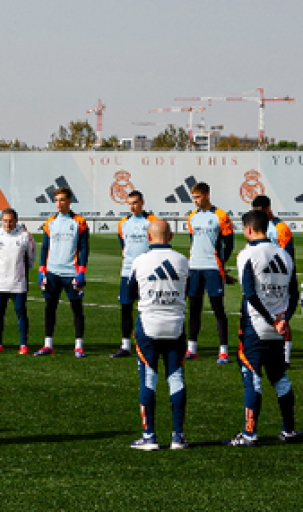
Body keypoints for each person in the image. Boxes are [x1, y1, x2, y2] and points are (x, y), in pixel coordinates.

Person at [225, 210, 300, 446]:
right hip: (278, 329)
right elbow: (295, 294)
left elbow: (249, 293)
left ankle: (249, 434)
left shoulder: (247, 254)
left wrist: (269, 319)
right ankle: (289, 430)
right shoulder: (285, 256)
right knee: (280, 378)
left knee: (253, 378)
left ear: (248, 229)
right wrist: (283, 319)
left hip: (256, 326)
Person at [127, 220, 190, 450]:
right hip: (176, 326)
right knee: (176, 378)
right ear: (171, 236)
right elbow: (188, 290)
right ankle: (178, 436)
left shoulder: (140, 261)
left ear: (148, 236)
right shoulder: (183, 260)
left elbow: (127, 293)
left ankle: (149, 435)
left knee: (148, 379)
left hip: (149, 325)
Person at [35, 187, 90, 358]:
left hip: (71, 273)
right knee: (50, 308)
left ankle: (79, 346)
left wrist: (81, 272)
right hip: (52, 273)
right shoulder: (50, 222)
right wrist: (41, 271)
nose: (59, 204)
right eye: (56, 200)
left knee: (77, 309)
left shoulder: (79, 222)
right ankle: (48, 345)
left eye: (62, 200)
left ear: (69, 201)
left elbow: (84, 248)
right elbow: (45, 247)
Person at [185, 182, 234, 363]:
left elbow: (229, 244)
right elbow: (193, 242)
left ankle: (223, 351)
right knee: (194, 309)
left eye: (198, 197)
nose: (195, 201)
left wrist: (221, 264)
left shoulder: (220, 216)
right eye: (194, 197)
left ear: (206, 195)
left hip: (213, 268)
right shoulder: (192, 217)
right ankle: (192, 349)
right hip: (194, 268)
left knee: (218, 309)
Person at [252, 195, 296, 368]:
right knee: (260, 314)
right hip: (263, 278)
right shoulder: (259, 227)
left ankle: (285, 357)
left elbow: (289, 256)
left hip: (279, 278)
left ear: (267, 209)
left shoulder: (281, 228)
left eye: (260, 211)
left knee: (282, 315)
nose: (258, 215)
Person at [114, 191, 158, 359]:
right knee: (126, 307)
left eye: (135, 203)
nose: (132, 206)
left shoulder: (152, 221)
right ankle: (125, 346)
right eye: (129, 203)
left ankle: (149, 342)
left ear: (142, 203)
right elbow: (123, 244)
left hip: (147, 271)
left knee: (148, 308)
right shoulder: (123, 223)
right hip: (128, 271)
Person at [0, 208, 35, 355]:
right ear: (1, 221)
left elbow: (31, 259)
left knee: (21, 313)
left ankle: (23, 344)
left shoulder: (25, 236)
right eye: (5, 221)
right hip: (1, 283)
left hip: (19, 282)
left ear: (16, 221)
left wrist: (20, 273)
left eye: (10, 221)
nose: (7, 224)